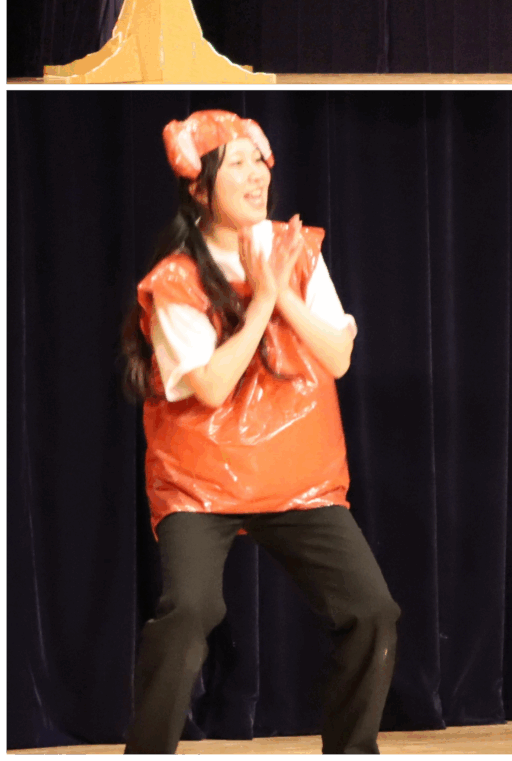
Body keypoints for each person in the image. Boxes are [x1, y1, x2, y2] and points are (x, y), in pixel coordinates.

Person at [120, 110, 399, 755]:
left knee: (371, 611)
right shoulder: (178, 276)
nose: (256, 175)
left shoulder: (298, 250)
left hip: (297, 471)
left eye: (259, 160)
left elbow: (338, 357)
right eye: (237, 164)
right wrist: (262, 304)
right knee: (191, 611)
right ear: (200, 189)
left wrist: (283, 291)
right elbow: (212, 387)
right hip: (200, 480)